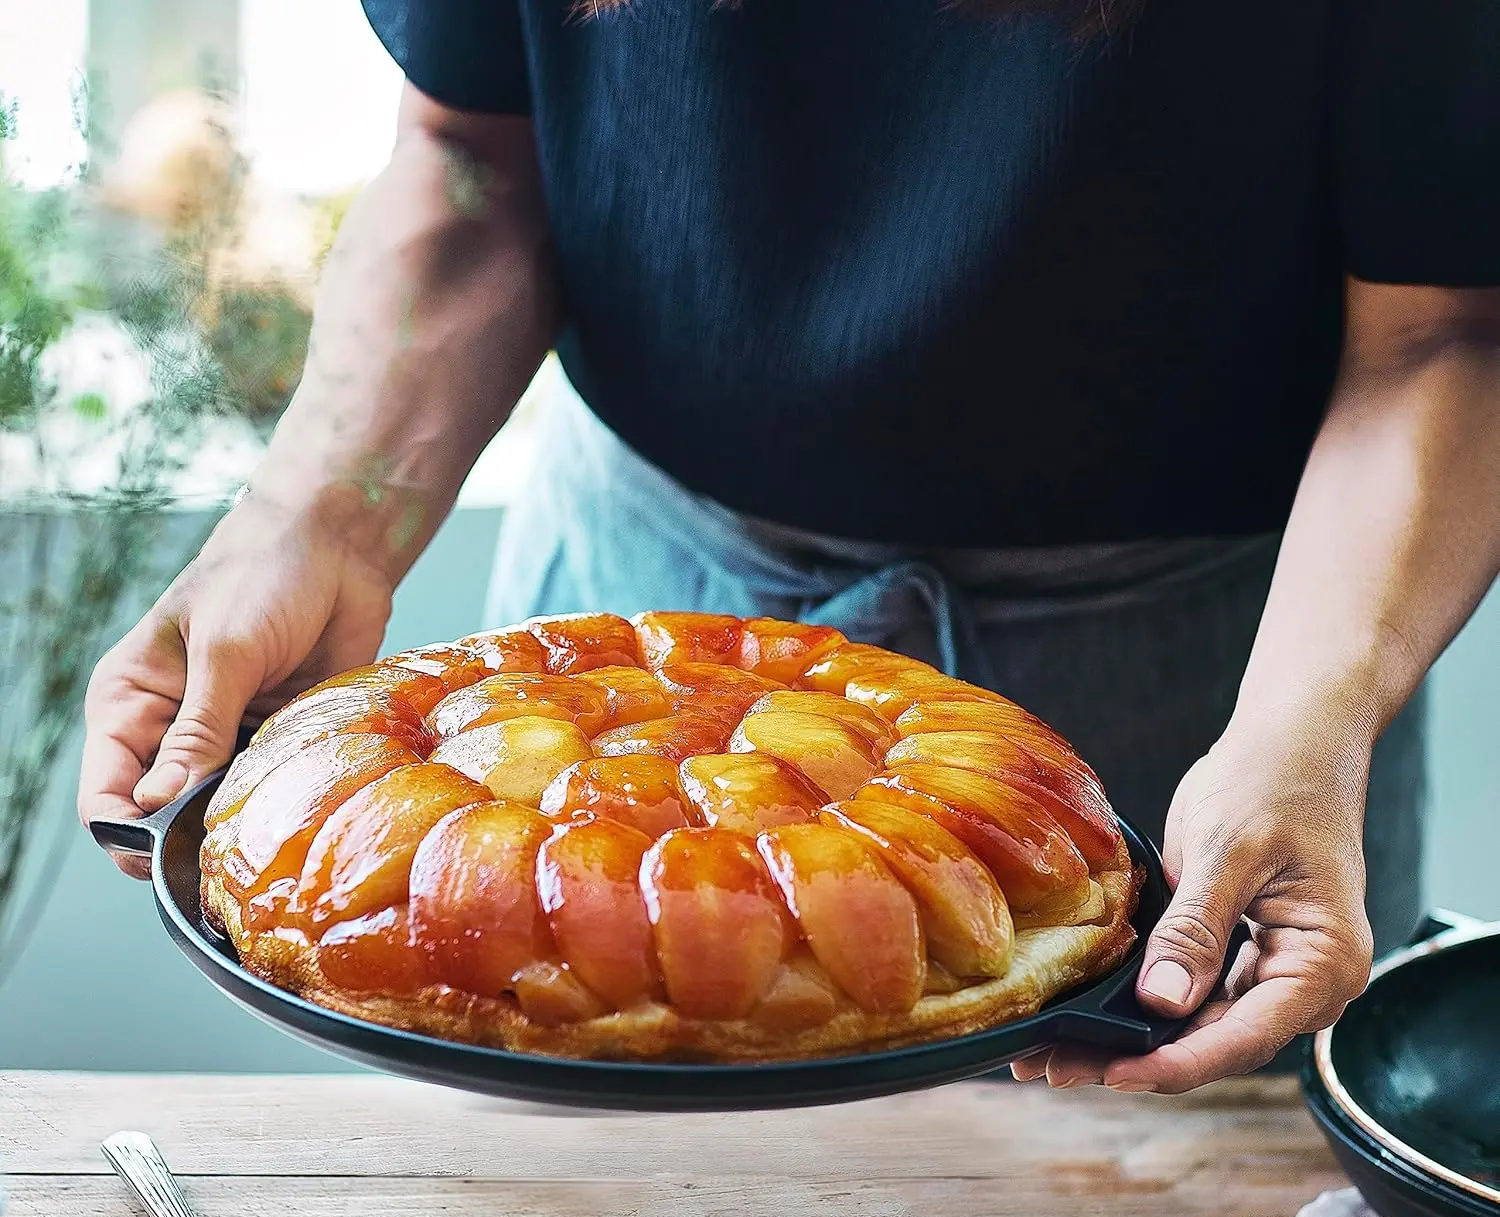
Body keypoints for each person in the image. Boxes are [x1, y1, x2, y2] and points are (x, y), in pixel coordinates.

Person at [79, 0, 1500, 1094]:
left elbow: (1447, 324)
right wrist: (316, 520)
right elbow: (468, 156)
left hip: (1222, 683)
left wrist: (1307, 727)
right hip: (611, 629)